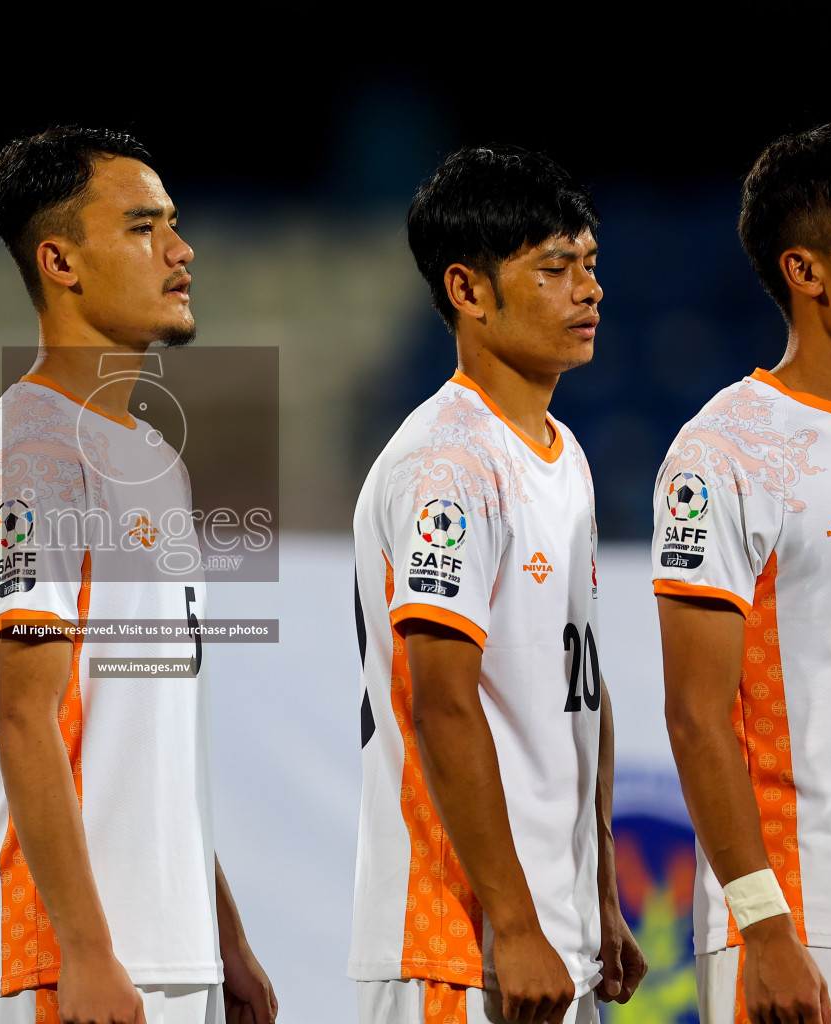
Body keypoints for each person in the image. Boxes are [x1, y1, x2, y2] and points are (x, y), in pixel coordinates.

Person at [0, 126, 276, 1024]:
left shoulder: (149, 458)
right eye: (143, 228)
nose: (182, 251)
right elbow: (24, 720)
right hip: (75, 966)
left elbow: (141, 727)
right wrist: (87, 955)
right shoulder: (38, 450)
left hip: (170, 956)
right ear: (59, 260)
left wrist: (224, 936)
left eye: (173, 224)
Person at [349, 146, 645, 1024]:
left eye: (590, 266)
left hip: (556, 940)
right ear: (469, 291)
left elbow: (578, 692)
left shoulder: (566, 455)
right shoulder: (449, 463)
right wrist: (513, 923)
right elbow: (444, 703)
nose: (588, 290)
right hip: (456, 946)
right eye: (555, 269)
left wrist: (599, 895)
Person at [654, 124, 831, 1024]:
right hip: (808, 924)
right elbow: (696, 712)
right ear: (807, 271)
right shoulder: (729, 450)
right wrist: (763, 928)